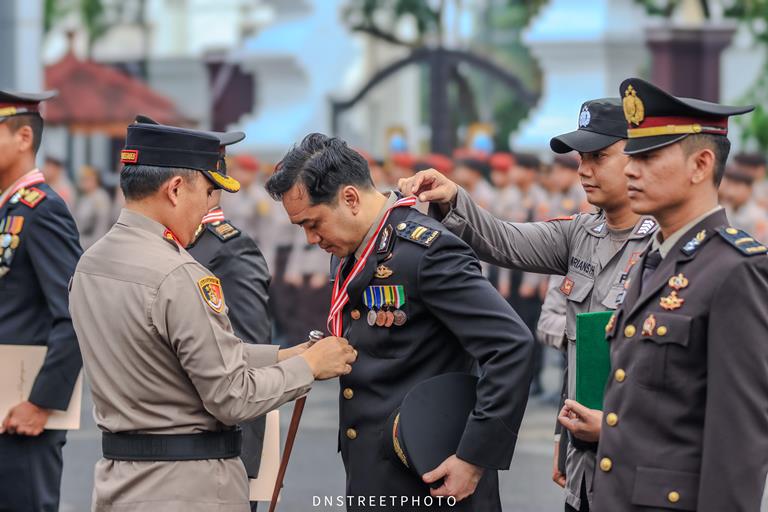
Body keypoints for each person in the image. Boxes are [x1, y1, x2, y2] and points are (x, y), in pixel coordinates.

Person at [68, 120, 356, 512]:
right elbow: (232, 397)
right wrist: (307, 368)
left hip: (119, 481)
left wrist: (284, 356)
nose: (210, 206)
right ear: (174, 189)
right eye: (207, 192)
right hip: (188, 487)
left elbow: (165, 355)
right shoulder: (179, 273)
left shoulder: (90, 264)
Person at [398, 97, 659, 512]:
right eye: (581, 157)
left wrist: (613, 427)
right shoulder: (581, 233)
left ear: (637, 158)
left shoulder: (665, 246)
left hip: (644, 469)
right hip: (585, 470)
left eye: (598, 156)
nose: (583, 169)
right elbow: (504, 241)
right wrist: (453, 197)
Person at [265, 133, 534, 511]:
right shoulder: (354, 247)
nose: (311, 238)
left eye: (314, 223)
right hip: (376, 471)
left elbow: (510, 345)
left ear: (350, 198)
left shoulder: (427, 252)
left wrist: (474, 458)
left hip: (433, 475)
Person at [586, 78, 768, 511]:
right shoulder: (654, 257)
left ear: (701, 165)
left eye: (647, 157)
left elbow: (737, 442)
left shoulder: (735, 270)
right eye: (631, 156)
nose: (630, 169)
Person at [0, 90, 83, 511]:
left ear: (23, 137)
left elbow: (74, 315)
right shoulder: (7, 210)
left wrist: (41, 403)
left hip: (23, 415)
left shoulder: (43, 210)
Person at [718, 166, 768, 242]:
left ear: (749, 189)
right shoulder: (724, 209)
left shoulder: (757, 215)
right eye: (728, 185)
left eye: (736, 186)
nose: (730, 191)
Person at [73, 165, 112, 249]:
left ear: (95, 180)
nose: (83, 182)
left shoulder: (100, 197)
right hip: (81, 241)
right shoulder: (84, 197)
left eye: (87, 179)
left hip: (91, 245)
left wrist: (95, 248)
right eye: (82, 179)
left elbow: (101, 227)